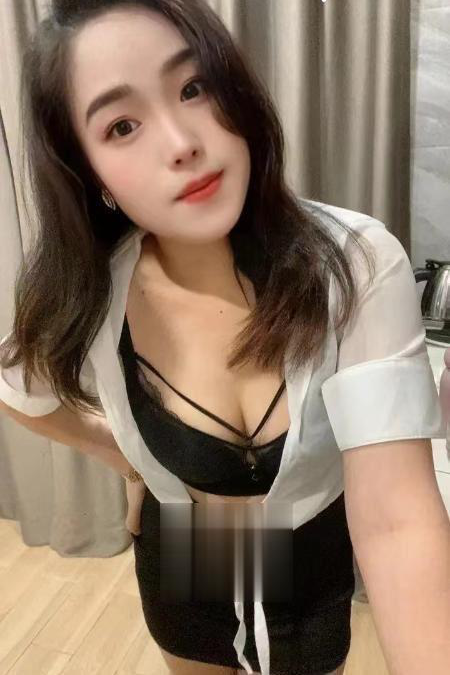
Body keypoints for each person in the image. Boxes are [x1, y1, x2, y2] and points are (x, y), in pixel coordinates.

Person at [0, 2, 448, 674]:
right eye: (121, 125)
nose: (181, 140)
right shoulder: (91, 291)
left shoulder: (356, 265)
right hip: (185, 560)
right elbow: (20, 391)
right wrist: (126, 457)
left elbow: (397, 520)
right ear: (89, 173)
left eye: (193, 86)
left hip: (309, 560)